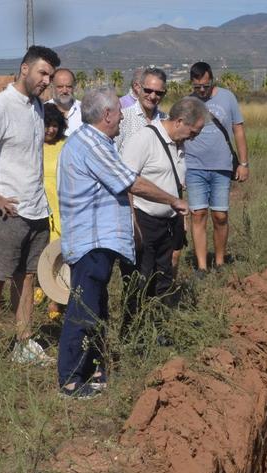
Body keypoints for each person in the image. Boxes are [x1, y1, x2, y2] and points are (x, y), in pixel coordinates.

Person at [56, 88, 189, 399]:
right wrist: (173, 200)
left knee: (97, 308)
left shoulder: (98, 142)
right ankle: (70, 380)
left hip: (99, 241)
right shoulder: (91, 143)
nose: (121, 117)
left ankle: (92, 370)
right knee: (83, 309)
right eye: (118, 111)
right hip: (91, 241)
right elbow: (131, 181)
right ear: (107, 115)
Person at [0, 45, 60, 373]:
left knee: (27, 278)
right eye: (42, 73)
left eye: (50, 75)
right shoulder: (0, 106)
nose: (46, 80)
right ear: (24, 69)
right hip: (5, 213)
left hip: (35, 210)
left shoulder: (36, 107)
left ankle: (22, 344)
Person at [120, 97, 206, 330]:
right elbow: (128, 182)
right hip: (144, 221)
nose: (194, 137)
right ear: (179, 121)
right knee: (140, 281)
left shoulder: (179, 143)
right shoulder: (144, 139)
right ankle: (132, 334)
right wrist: (132, 223)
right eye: (194, 131)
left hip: (168, 223)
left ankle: (156, 329)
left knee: (164, 279)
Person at [184, 61, 250, 275]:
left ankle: (220, 262)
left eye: (205, 85)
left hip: (221, 167)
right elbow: (178, 134)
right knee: (198, 214)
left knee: (220, 216)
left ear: (212, 79)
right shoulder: (188, 102)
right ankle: (202, 266)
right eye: (197, 87)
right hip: (194, 166)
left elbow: (238, 130)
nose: (201, 90)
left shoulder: (227, 97)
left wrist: (243, 163)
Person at [41, 102, 67, 320]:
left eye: (55, 125)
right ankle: (38, 290)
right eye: (47, 125)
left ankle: (55, 302)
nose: (51, 129)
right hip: (40, 204)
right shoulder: (32, 145)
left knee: (58, 252)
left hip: (61, 204)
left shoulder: (66, 145)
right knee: (39, 251)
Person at [115, 67, 167, 151]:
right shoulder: (123, 118)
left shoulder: (166, 120)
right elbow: (113, 153)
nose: (152, 96)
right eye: (148, 90)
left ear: (164, 94)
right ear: (139, 88)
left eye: (158, 93)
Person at [48, 68, 82, 136]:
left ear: (74, 87)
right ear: (52, 87)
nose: (65, 91)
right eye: (60, 87)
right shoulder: (43, 111)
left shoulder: (85, 110)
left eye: (69, 87)